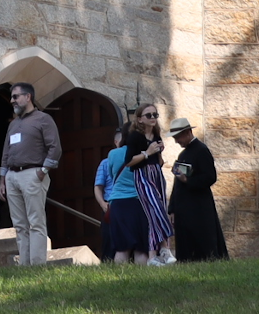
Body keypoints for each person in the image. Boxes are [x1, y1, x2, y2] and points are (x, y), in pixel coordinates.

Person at [0, 82, 61, 266]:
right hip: (12, 176)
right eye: (11, 97)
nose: (12, 101)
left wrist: (43, 171)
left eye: (15, 96)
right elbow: (5, 153)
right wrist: (3, 180)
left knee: (36, 222)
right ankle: (25, 266)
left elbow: (55, 148)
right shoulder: (13, 124)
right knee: (19, 225)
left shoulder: (44, 119)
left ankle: (37, 265)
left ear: (28, 97)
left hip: (33, 174)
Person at [168, 118, 229, 262]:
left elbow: (210, 177)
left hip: (198, 206)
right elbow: (177, 183)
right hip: (183, 206)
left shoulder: (201, 150)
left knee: (203, 240)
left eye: (178, 137)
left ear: (188, 132)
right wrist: (172, 208)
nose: (177, 141)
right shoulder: (183, 154)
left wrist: (188, 181)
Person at [124, 103, 174, 264]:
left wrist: (160, 152)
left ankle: (153, 256)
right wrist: (147, 153)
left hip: (157, 174)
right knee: (156, 209)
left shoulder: (157, 135)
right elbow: (129, 162)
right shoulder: (135, 137)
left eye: (155, 115)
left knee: (155, 213)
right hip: (142, 175)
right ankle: (166, 246)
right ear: (139, 119)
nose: (153, 118)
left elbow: (159, 163)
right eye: (149, 115)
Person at [95, 128, 148, 264]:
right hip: (138, 201)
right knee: (140, 248)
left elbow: (113, 176)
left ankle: (121, 278)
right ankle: (143, 278)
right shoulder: (143, 155)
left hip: (118, 202)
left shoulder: (113, 154)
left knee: (121, 248)